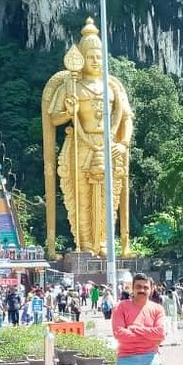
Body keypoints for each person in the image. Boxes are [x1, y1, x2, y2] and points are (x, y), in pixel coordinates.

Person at [42, 18, 133, 257]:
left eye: (98, 56)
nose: (95, 61)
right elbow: (53, 118)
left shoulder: (112, 86)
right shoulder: (71, 85)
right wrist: (67, 111)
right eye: (90, 56)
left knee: (107, 199)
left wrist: (123, 144)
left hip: (108, 145)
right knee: (80, 199)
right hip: (80, 146)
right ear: (81, 57)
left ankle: (104, 243)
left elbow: (127, 118)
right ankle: (85, 244)